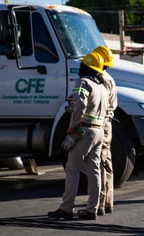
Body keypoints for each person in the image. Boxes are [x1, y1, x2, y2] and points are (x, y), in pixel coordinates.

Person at [48, 52, 108, 220]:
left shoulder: (83, 83)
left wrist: (72, 127)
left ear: (86, 68)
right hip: (99, 132)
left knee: (72, 168)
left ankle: (66, 208)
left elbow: (80, 106)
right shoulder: (102, 87)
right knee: (94, 170)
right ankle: (92, 209)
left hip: (84, 131)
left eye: (82, 66)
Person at [92, 46, 118, 216]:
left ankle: (100, 203)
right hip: (106, 123)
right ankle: (107, 202)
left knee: (100, 163)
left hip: (101, 124)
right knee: (106, 163)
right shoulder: (108, 78)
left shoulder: (101, 79)